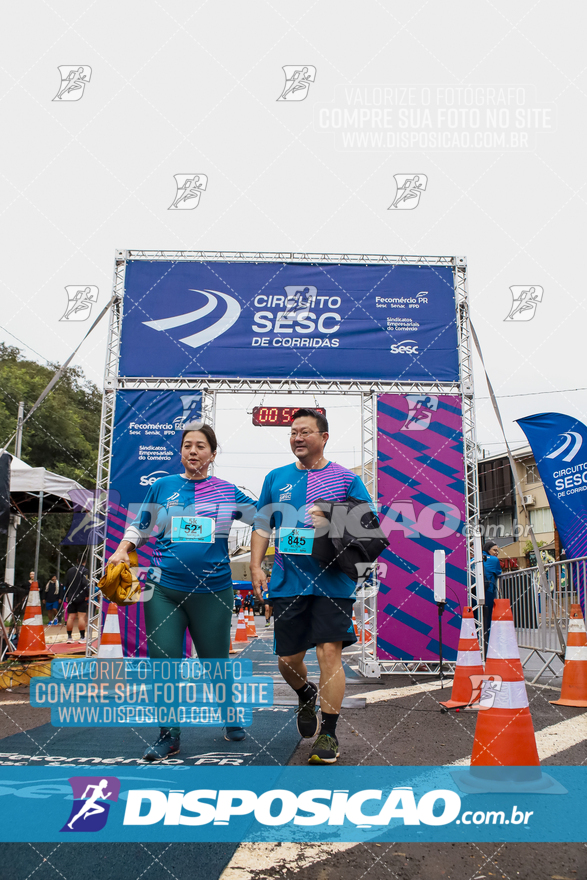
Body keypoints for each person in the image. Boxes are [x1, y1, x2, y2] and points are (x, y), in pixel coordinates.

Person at [108, 423, 257, 761]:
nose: (193, 451)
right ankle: (168, 736)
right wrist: (122, 548)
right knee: (163, 661)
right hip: (162, 588)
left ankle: (230, 713)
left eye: (201, 446)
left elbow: (265, 517)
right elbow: (141, 525)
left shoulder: (228, 491)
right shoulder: (163, 487)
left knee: (214, 662)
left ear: (212, 454)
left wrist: (312, 516)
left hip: (213, 591)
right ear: (181, 452)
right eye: (187, 445)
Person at [250, 408, 375, 765]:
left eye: (304, 431)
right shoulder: (276, 478)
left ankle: (329, 735)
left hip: (333, 582)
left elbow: (367, 525)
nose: (297, 437)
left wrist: (333, 519)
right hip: (288, 581)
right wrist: (257, 566)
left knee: (328, 654)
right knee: (288, 660)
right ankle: (305, 693)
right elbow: (262, 525)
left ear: (324, 437)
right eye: (292, 433)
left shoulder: (345, 479)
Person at [482, 540, 502, 649]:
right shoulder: (494, 560)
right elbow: (499, 572)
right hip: (488, 591)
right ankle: (488, 645)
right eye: (494, 550)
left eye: (497, 551)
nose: (496, 553)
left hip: (475, 593)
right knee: (488, 618)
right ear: (487, 549)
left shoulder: (473, 559)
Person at [64, 560, 89, 643]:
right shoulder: (85, 571)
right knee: (81, 617)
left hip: (71, 596)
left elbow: (67, 584)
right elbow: (85, 583)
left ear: (77, 560)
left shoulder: (70, 571)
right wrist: (87, 594)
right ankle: (82, 637)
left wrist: (67, 595)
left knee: (71, 616)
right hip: (81, 596)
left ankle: (69, 637)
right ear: (84, 561)